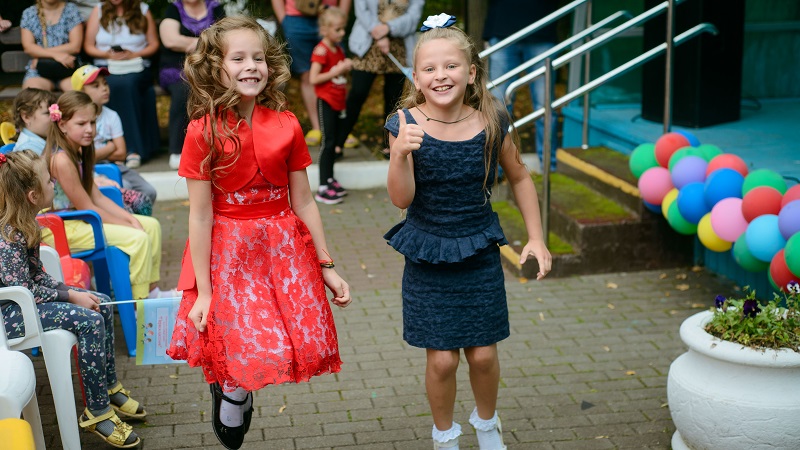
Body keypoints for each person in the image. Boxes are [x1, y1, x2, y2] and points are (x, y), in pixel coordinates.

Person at [166, 16, 352, 450]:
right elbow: (200, 216)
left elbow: (304, 202)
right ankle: (232, 390)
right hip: (229, 251)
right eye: (238, 58)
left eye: (258, 58)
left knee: (278, 341)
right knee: (238, 335)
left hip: (283, 250)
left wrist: (326, 265)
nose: (251, 66)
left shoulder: (287, 124)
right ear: (216, 68)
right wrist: (205, 292)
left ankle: (234, 385)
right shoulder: (202, 130)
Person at [384, 17, 552, 450]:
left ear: (471, 72)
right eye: (429, 68)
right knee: (442, 361)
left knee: (483, 354)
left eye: (451, 66)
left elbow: (520, 177)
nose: (441, 75)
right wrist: (399, 155)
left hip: (478, 250)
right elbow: (401, 199)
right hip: (428, 254)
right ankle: (444, 436)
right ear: (416, 77)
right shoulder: (403, 123)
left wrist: (536, 237)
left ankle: (487, 424)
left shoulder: (492, 120)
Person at [0, 149, 146, 449]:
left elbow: (38, 277)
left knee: (99, 300)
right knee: (90, 320)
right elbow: (23, 291)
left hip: (27, 306)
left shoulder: (25, 225)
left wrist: (74, 292)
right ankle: (97, 412)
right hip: (11, 317)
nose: (54, 183)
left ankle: (108, 385)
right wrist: (70, 296)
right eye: (49, 180)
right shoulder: (9, 236)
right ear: (32, 195)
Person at [42, 90, 165, 301]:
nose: (90, 129)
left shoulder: (78, 153)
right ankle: (139, 304)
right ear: (62, 125)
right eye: (81, 124)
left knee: (151, 226)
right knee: (138, 238)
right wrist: (128, 225)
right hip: (60, 228)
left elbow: (97, 197)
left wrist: (130, 219)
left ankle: (152, 291)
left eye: (92, 122)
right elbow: (87, 207)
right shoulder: (61, 160)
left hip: (78, 221)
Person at [334, 0, 424, 159]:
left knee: (393, 98)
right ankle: (337, 143)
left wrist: (388, 28)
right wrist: (379, 34)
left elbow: (413, 17)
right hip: (368, 44)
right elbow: (362, 11)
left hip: (399, 49)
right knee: (357, 94)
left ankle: (389, 144)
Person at [270, 0, 359, 148]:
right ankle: (319, 128)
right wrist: (284, 20)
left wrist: (340, 16)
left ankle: (340, 128)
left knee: (339, 73)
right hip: (296, 18)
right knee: (307, 75)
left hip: (330, 15)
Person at [83, 0, 161, 167]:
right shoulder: (98, 11)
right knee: (112, 83)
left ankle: (132, 149)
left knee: (127, 84)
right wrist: (108, 55)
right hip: (107, 66)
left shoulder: (143, 10)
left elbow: (154, 44)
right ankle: (115, 146)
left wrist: (134, 54)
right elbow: (88, 46)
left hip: (136, 65)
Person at [484, 0, 559, 173]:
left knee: (544, 106)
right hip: (502, 30)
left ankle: (549, 168)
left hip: (542, 28)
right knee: (498, 107)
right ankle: (495, 170)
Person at [71, 64, 158, 211]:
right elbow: (80, 155)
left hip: (114, 166)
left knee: (149, 191)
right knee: (124, 188)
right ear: (81, 92)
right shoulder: (75, 118)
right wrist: (110, 147)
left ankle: (136, 221)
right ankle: (125, 222)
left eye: (105, 84)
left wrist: (96, 154)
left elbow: (121, 153)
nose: (104, 88)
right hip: (86, 169)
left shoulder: (112, 115)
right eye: (96, 86)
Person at [158, 0, 226, 170]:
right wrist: (206, 43)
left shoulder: (216, 7)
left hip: (211, 67)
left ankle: (220, 146)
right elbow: (170, 41)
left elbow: (225, 39)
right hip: (176, 68)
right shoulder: (173, 9)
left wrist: (188, 44)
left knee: (222, 87)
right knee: (184, 88)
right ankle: (177, 149)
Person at [309, 6, 351, 204]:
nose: (342, 33)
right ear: (325, 30)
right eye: (338, 29)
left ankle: (330, 179)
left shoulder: (338, 48)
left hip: (338, 101)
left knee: (335, 142)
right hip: (326, 101)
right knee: (328, 142)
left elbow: (339, 74)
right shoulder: (321, 50)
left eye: (343, 29)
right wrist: (336, 71)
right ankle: (323, 187)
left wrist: (345, 68)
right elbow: (313, 78)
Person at [19, 0, 84, 92]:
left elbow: (75, 46)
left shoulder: (71, 10)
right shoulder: (29, 13)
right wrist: (56, 55)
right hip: (39, 70)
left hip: (68, 68)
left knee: (78, 94)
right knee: (33, 94)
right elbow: (28, 47)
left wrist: (40, 54)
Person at [10, 87, 59, 154]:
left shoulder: (45, 139)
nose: (55, 117)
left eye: (55, 113)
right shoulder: (28, 150)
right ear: (26, 117)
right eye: (47, 113)